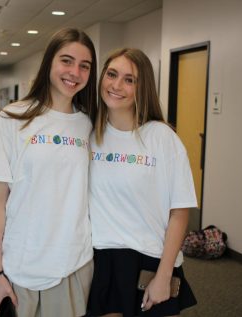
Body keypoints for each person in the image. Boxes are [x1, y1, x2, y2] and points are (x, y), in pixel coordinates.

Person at [0, 27, 97, 317]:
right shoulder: (12, 119)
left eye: (85, 66)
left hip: (73, 262)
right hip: (20, 263)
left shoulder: (90, 125)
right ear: (49, 63)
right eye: (66, 61)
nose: (75, 72)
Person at [87, 48, 197, 317]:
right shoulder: (87, 133)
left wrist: (164, 274)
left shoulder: (161, 137)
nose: (116, 85)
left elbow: (180, 212)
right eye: (111, 74)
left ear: (142, 86)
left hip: (151, 260)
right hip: (101, 259)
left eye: (129, 79)